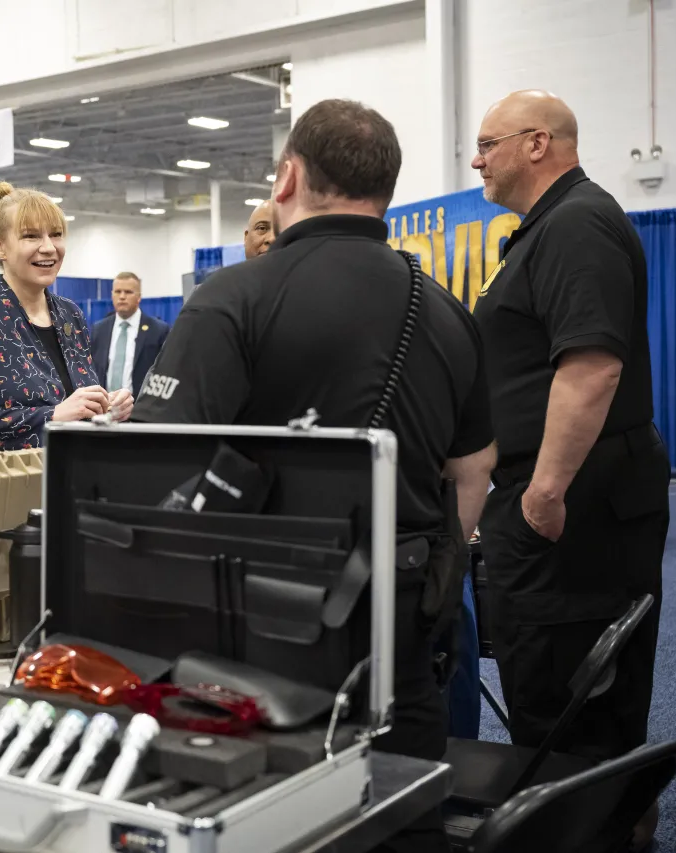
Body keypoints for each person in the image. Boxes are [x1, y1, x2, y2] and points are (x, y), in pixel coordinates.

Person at [133, 99, 497, 853]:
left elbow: (154, 472)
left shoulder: (233, 298)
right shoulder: (450, 312)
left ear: (287, 176)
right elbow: (474, 470)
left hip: (261, 653)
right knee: (407, 822)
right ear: (386, 191)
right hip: (406, 634)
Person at [470, 90, 666, 849]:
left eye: (489, 144)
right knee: (563, 698)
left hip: (569, 505)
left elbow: (590, 368)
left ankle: (601, 832)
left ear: (538, 143)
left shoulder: (578, 224)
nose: (478, 160)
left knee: (574, 699)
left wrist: (544, 491)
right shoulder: (548, 228)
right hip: (562, 497)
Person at [0, 182, 133, 454]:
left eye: (56, 234)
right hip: (5, 484)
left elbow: (74, 407)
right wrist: (51, 415)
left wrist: (106, 407)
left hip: (71, 475)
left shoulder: (69, 315)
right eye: (31, 236)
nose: (49, 247)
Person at [91, 271, 169, 396]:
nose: (122, 296)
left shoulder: (158, 330)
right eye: (117, 292)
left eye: (128, 292)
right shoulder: (99, 329)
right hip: (105, 407)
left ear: (139, 297)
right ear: (112, 295)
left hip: (140, 407)